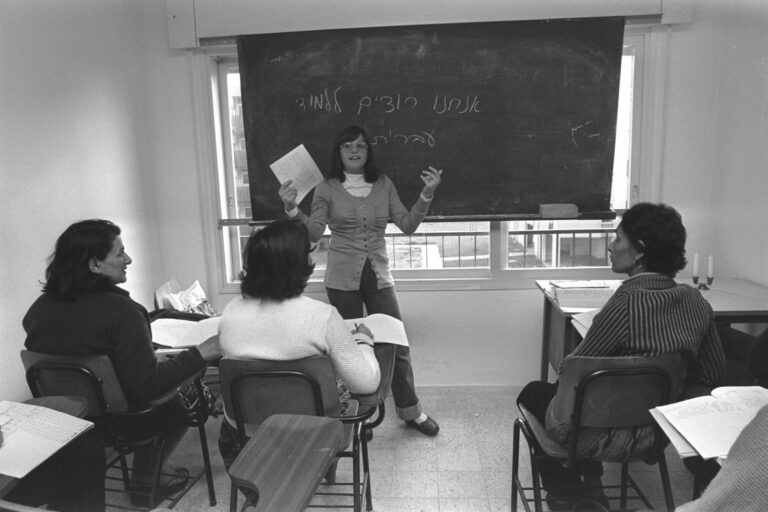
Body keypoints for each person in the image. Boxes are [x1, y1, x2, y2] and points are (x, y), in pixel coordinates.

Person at [517, 202, 727, 509]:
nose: (611, 247)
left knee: (535, 392)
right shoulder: (696, 303)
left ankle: (568, 494)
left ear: (639, 250)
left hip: (601, 434)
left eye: (617, 239)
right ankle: (592, 484)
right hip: (658, 432)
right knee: (589, 400)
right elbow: (712, 376)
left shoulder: (624, 305)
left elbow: (572, 373)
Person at [22, 219, 221, 507]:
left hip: (71, 422)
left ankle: (142, 477)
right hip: (126, 424)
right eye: (119, 253)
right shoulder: (125, 313)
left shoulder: (38, 311)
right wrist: (200, 353)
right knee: (192, 388)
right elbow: (148, 388)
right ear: (94, 265)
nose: (128, 259)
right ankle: (144, 480)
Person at [278, 125, 442, 437]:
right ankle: (361, 414)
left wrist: (426, 195)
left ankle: (411, 411)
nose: (354, 151)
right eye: (347, 146)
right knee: (350, 347)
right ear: (338, 152)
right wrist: (291, 209)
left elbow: (407, 225)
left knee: (395, 343)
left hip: (379, 275)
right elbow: (313, 231)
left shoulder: (383, 184)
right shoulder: (327, 188)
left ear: (369, 152)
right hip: (341, 278)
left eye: (361, 146)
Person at [216, 219, 381, 467]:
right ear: (300, 265)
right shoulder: (321, 316)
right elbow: (366, 383)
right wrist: (363, 341)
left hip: (246, 434)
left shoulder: (230, 312)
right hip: (314, 434)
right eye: (309, 253)